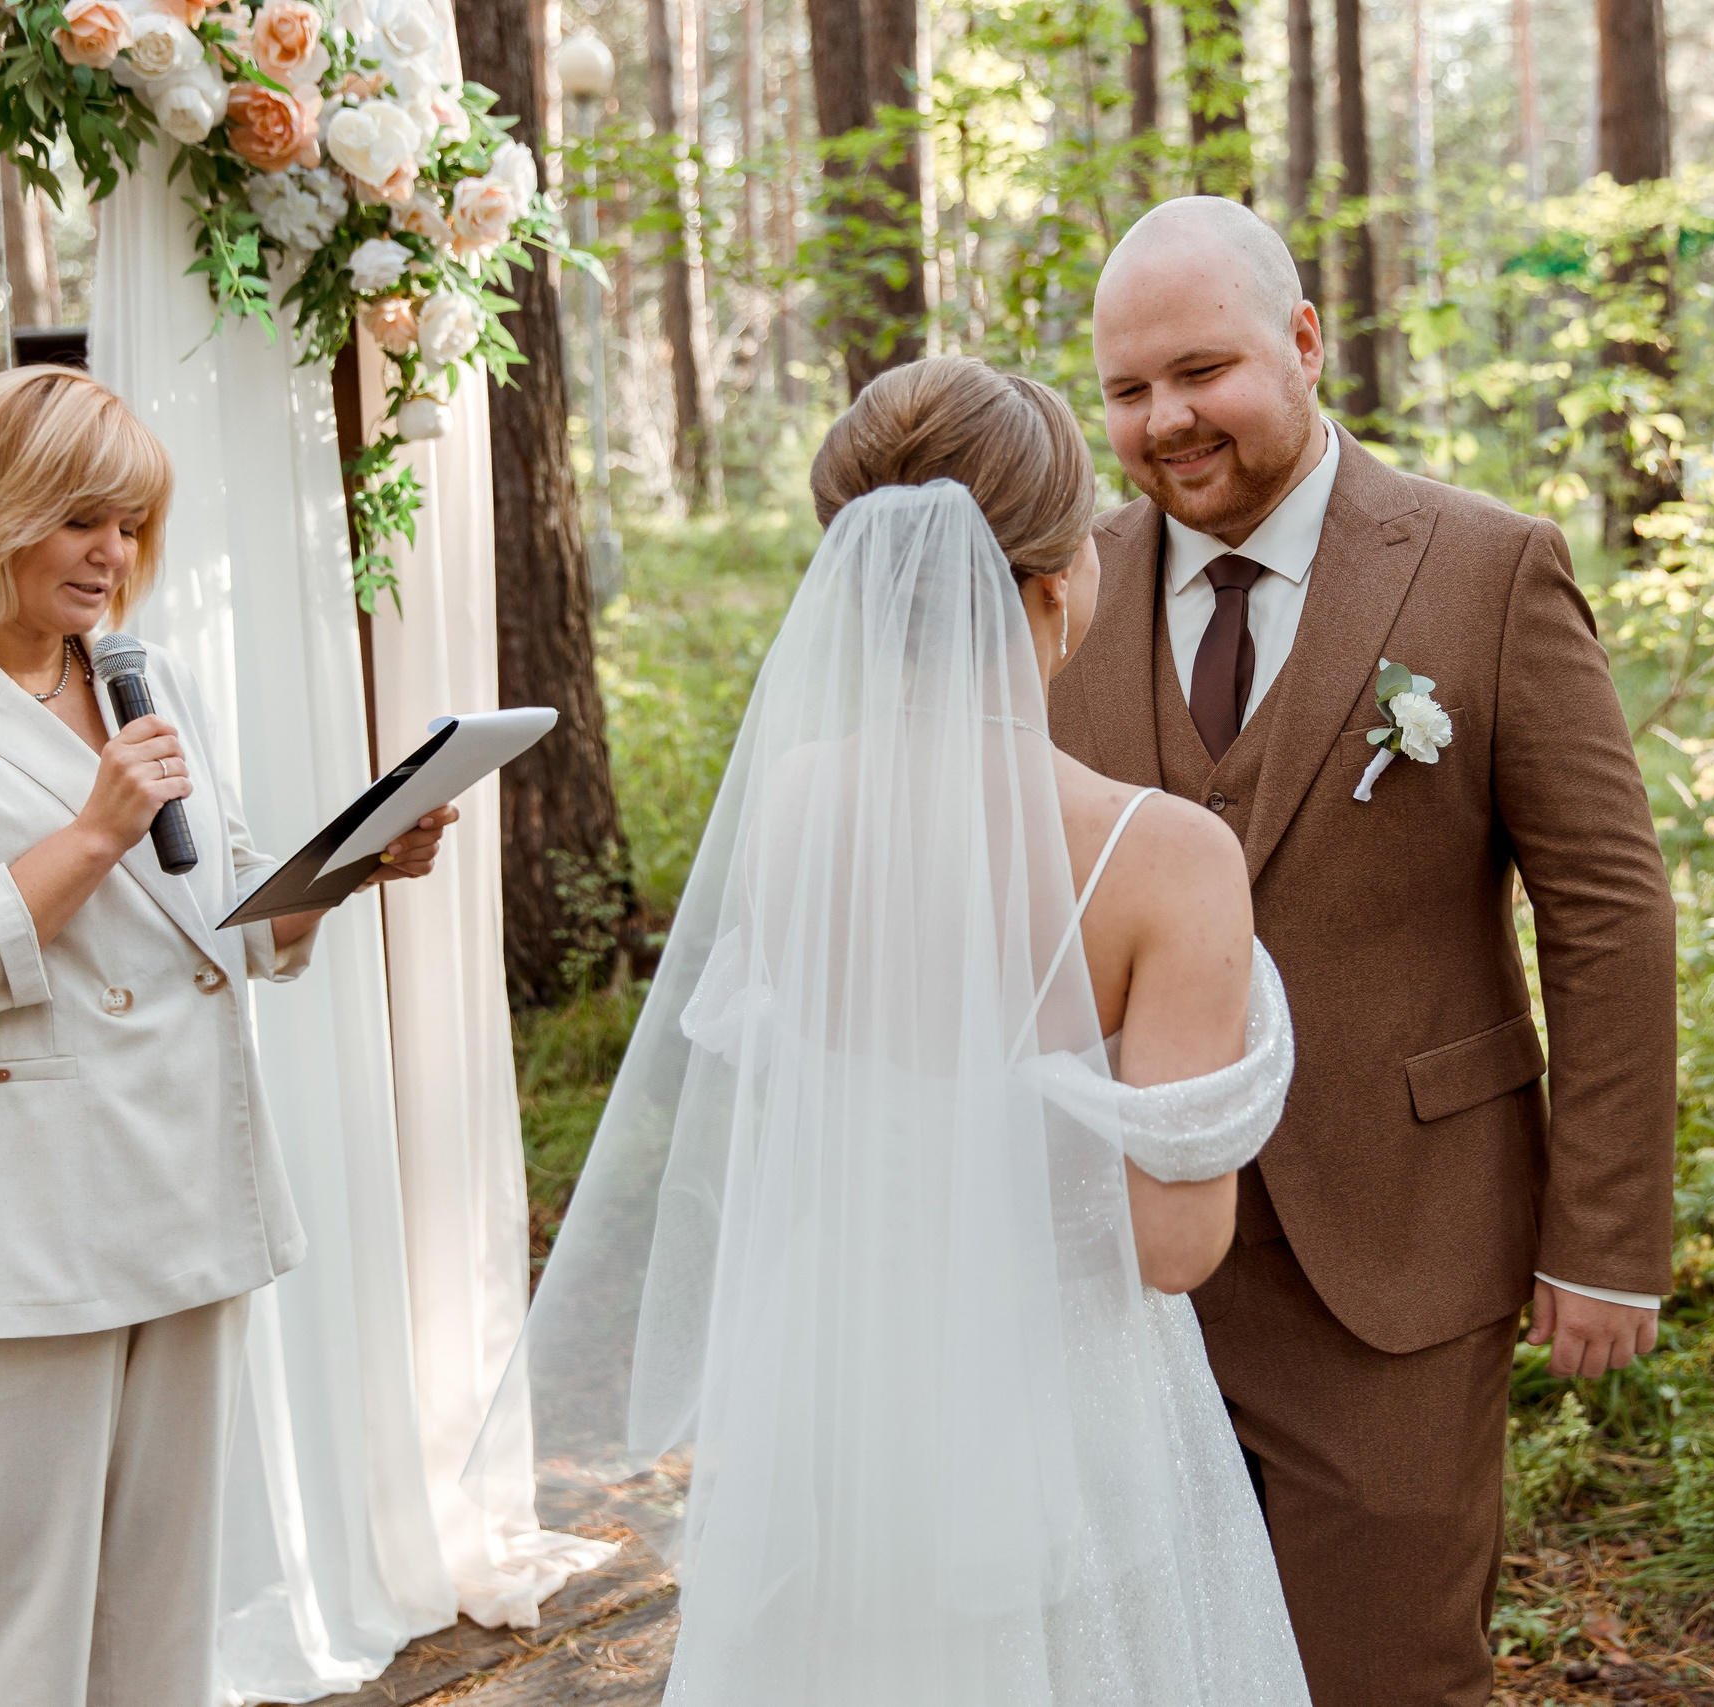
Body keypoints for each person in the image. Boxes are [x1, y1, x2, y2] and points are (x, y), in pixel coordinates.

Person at [482, 356, 1313, 1706]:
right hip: (1058, 1425)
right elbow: (1176, 1246)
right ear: (1054, 588)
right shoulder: (1166, 860)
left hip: (835, 1404)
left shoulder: (795, 805)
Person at [1051, 196, 1680, 1706]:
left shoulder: (1485, 568)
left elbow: (1607, 911)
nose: (1165, 421)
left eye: (1202, 371)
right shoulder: (1063, 585)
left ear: (1306, 341)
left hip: (1401, 1250)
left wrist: (1603, 1242)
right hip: (1120, 1262)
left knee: (1389, 1672)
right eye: (1129, 391)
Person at [0, 365, 456, 1707]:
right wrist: (91, 833)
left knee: (161, 1619)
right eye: (82, 518)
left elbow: (222, 910)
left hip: (181, 1191)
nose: (114, 556)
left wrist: (349, 864)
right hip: (15, 1222)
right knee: (8, 1630)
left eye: (134, 524)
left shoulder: (143, 675)